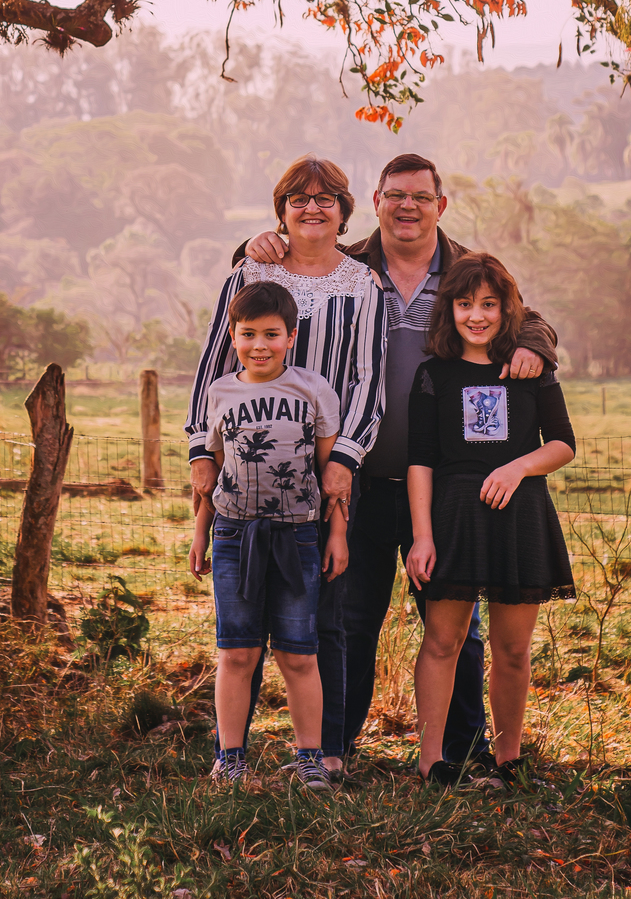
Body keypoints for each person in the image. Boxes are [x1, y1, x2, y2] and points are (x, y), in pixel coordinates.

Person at [239, 152, 559, 774]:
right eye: (394, 195)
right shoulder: (346, 266)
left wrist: (534, 346)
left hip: (443, 484)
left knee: (456, 626)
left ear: (441, 206)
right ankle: (336, 745)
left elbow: (527, 316)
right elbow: (266, 294)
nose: (407, 206)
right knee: (350, 615)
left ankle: (460, 750)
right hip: (352, 474)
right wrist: (249, 247)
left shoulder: (468, 272)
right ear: (375, 202)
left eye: (420, 196)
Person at [186, 155, 385, 775]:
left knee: (323, 620)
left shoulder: (363, 284)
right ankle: (233, 755)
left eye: (326, 198)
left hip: (325, 466)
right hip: (243, 479)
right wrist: (200, 452)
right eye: (299, 198)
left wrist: (345, 461)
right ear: (281, 210)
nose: (312, 207)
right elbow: (215, 360)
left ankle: (323, 753)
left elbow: (367, 379)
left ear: (345, 212)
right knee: (239, 636)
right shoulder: (252, 268)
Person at [405, 253, 576, 786]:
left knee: (512, 647)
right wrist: (422, 537)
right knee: (442, 641)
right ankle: (432, 761)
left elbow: (564, 444)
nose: (476, 315)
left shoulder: (531, 369)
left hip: (519, 516)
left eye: (488, 305)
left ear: (508, 310)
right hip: (454, 518)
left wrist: (517, 468)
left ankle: (508, 758)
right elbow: (421, 460)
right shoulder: (433, 374)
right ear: (449, 310)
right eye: (464, 304)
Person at [189, 280, 349, 792]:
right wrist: (200, 534)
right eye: (248, 334)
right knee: (237, 651)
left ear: (292, 337)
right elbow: (209, 473)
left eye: (272, 335)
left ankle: (310, 757)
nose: (260, 345)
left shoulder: (313, 390)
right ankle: (230, 757)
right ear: (233, 337)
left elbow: (333, 476)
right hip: (235, 534)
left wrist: (337, 533)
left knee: (299, 653)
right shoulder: (220, 393)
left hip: (298, 535)